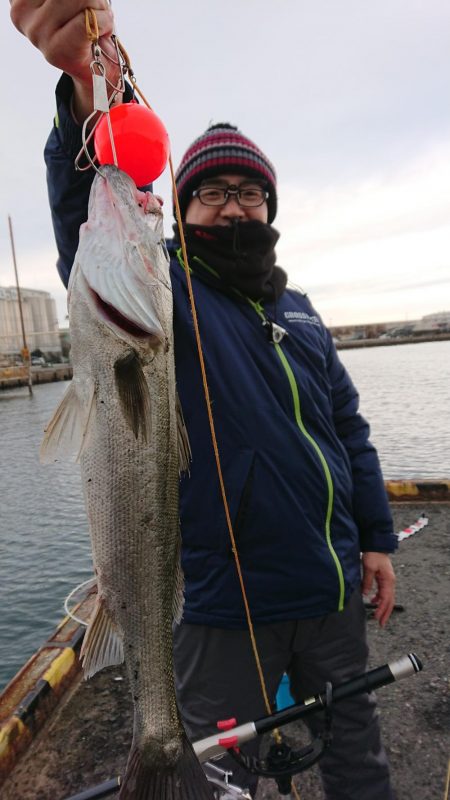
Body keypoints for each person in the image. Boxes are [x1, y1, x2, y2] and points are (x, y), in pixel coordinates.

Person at [11, 4, 398, 799]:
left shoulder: (301, 313)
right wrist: (87, 90)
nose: (234, 206)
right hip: (223, 611)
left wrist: (377, 540)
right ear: (180, 212)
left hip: (328, 593)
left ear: (271, 208)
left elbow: (349, 435)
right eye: (212, 192)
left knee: (358, 758)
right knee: (217, 781)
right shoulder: (165, 294)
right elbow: (88, 208)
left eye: (250, 192)